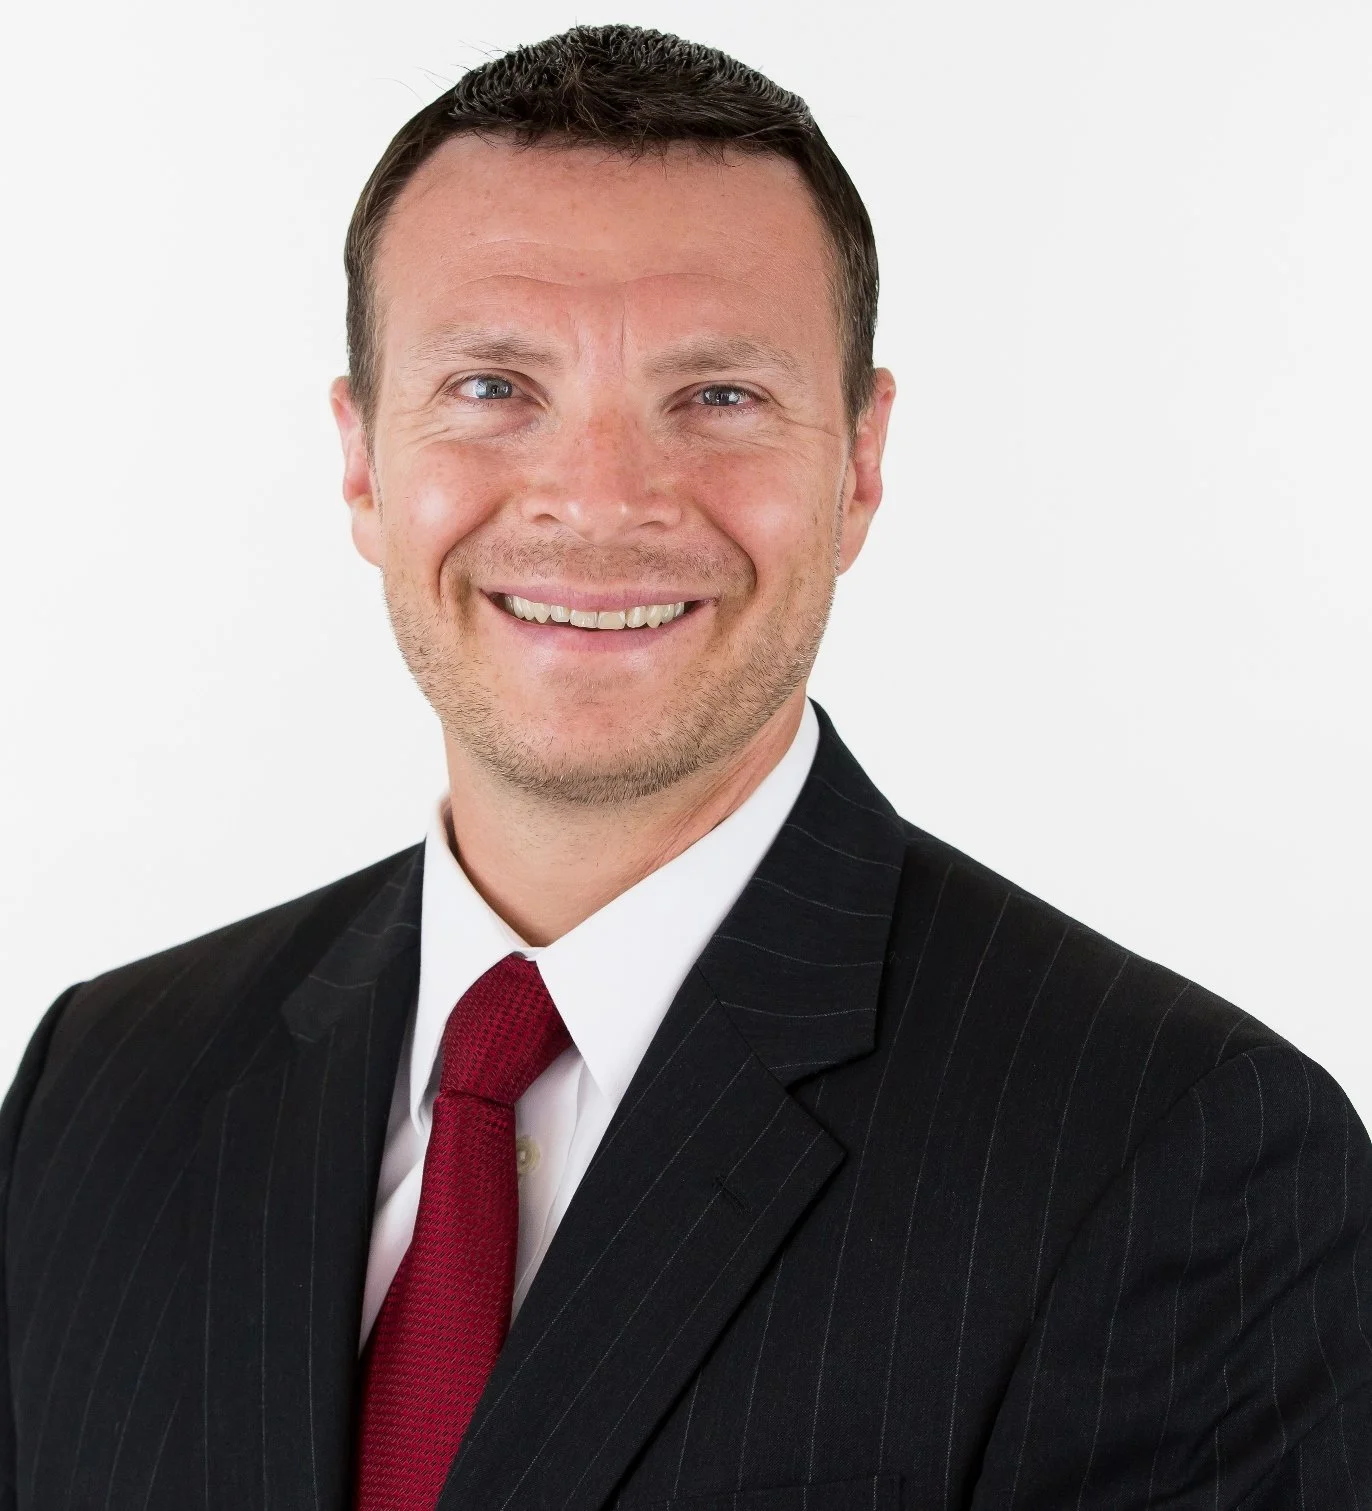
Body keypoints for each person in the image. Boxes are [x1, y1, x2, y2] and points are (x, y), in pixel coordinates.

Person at [2, 22, 1368, 1511]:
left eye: (717, 396)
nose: (599, 501)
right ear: (360, 460)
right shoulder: (103, 1088)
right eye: (491, 387)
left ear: (858, 463)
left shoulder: (1177, 1154)